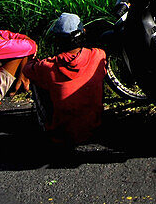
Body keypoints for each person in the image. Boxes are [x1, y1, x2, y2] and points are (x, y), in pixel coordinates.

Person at [24, 13, 107, 145]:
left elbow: (27, 69)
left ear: (58, 40)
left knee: (35, 80)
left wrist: (35, 59)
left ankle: (46, 124)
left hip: (60, 134)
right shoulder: (98, 55)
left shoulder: (48, 66)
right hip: (94, 129)